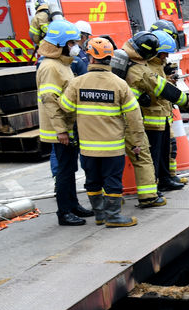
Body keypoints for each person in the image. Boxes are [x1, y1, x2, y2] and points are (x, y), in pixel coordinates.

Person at [59, 37, 143, 227]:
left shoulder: (77, 83)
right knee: (112, 182)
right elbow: (134, 117)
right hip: (113, 148)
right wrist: (136, 142)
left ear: (91, 58)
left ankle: (99, 215)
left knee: (92, 181)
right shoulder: (120, 84)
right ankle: (113, 216)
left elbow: (65, 107)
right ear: (110, 59)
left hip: (88, 148)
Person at [121, 31, 189, 197]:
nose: (165, 57)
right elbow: (162, 88)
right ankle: (151, 190)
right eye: (163, 53)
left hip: (159, 116)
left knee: (162, 152)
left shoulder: (143, 64)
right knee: (152, 156)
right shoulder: (140, 69)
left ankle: (163, 180)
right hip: (149, 118)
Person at [36, 20, 94, 225]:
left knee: (70, 168)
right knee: (64, 169)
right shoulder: (51, 67)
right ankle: (64, 212)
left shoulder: (61, 63)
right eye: (71, 43)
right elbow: (50, 101)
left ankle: (73, 205)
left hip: (68, 124)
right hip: (60, 127)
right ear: (60, 44)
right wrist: (61, 130)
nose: (75, 46)